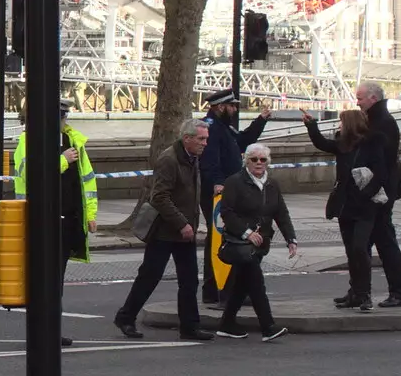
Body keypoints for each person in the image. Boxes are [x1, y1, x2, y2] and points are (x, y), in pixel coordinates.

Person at [114, 118, 214, 341]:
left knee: (189, 280)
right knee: (150, 276)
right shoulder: (169, 159)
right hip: (165, 231)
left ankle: (190, 327)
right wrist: (182, 223)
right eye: (201, 139)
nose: (205, 143)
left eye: (206, 139)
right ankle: (126, 317)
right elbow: (159, 197)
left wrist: (192, 223)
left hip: (184, 230)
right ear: (186, 138)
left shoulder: (192, 157)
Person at [15, 100, 98, 348]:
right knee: (46, 281)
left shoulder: (74, 142)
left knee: (55, 281)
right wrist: (61, 160)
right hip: (42, 222)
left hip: (67, 221)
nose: (66, 122)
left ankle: (52, 330)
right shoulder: (28, 141)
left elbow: (87, 182)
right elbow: (31, 175)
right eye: (62, 118)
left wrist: (91, 215)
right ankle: (44, 331)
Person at [303, 107, 391, 311]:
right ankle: (355, 293)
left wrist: (366, 194)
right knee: (351, 251)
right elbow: (321, 143)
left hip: (365, 206)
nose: (339, 126)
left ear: (350, 124)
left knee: (360, 248)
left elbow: (380, 174)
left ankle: (365, 294)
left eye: (342, 122)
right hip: (345, 205)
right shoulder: (342, 144)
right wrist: (311, 125)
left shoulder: (372, 143)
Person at [214, 144, 300, 342]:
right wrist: (247, 233)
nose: (259, 163)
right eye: (254, 159)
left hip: (261, 245)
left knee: (242, 285)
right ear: (247, 161)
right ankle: (268, 327)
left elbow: (281, 213)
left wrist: (291, 239)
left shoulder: (272, 184)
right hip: (240, 244)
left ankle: (226, 324)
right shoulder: (234, 182)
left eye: (263, 160)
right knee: (256, 283)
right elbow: (226, 213)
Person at [200, 88, 272, 305]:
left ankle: (220, 289)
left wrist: (261, 120)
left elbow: (243, 142)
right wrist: (217, 183)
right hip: (219, 194)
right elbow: (209, 160)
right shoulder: (210, 128)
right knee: (223, 240)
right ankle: (221, 289)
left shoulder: (223, 127)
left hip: (229, 191)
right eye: (231, 106)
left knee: (225, 239)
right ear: (220, 107)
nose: (234, 109)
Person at [355, 81, 401, 307]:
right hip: (376, 191)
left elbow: (382, 164)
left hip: (381, 193)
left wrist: (372, 191)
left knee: (385, 242)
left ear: (373, 99)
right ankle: (359, 292)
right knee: (361, 244)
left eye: (360, 99)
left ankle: (397, 293)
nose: (357, 103)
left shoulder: (383, 122)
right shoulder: (374, 119)